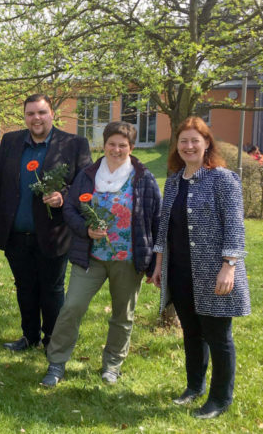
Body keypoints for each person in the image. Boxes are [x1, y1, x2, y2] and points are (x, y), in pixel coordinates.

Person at [40, 122, 161, 387]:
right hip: (91, 257)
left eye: (123, 145)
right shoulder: (88, 175)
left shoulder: (143, 178)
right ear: (103, 145)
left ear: (131, 147)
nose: (116, 149)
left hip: (128, 260)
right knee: (72, 307)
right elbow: (70, 209)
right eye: (111, 144)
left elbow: (156, 218)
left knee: (123, 315)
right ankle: (57, 363)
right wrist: (86, 229)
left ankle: (112, 365)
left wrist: (155, 260)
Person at [148, 116, 251, 419]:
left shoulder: (223, 179)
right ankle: (195, 387)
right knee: (192, 333)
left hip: (214, 273)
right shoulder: (173, 180)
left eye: (195, 140)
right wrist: (159, 264)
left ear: (207, 143)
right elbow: (164, 227)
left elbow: (234, 226)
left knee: (218, 337)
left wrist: (229, 266)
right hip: (180, 271)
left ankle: (220, 399)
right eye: (183, 141)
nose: (189, 146)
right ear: (176, 146)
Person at [0, 94, 92, 351]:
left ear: (52, 114)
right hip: (16, 232)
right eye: (31, 113)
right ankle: (29, 336)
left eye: (42, 112)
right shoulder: (11, 141)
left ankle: (52, 341)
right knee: (24, 287)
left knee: (52, 289)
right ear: (24, 116)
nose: (36, 118)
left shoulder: (73, 143)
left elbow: (87, 185)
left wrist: (64, 195)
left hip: (54, 232)